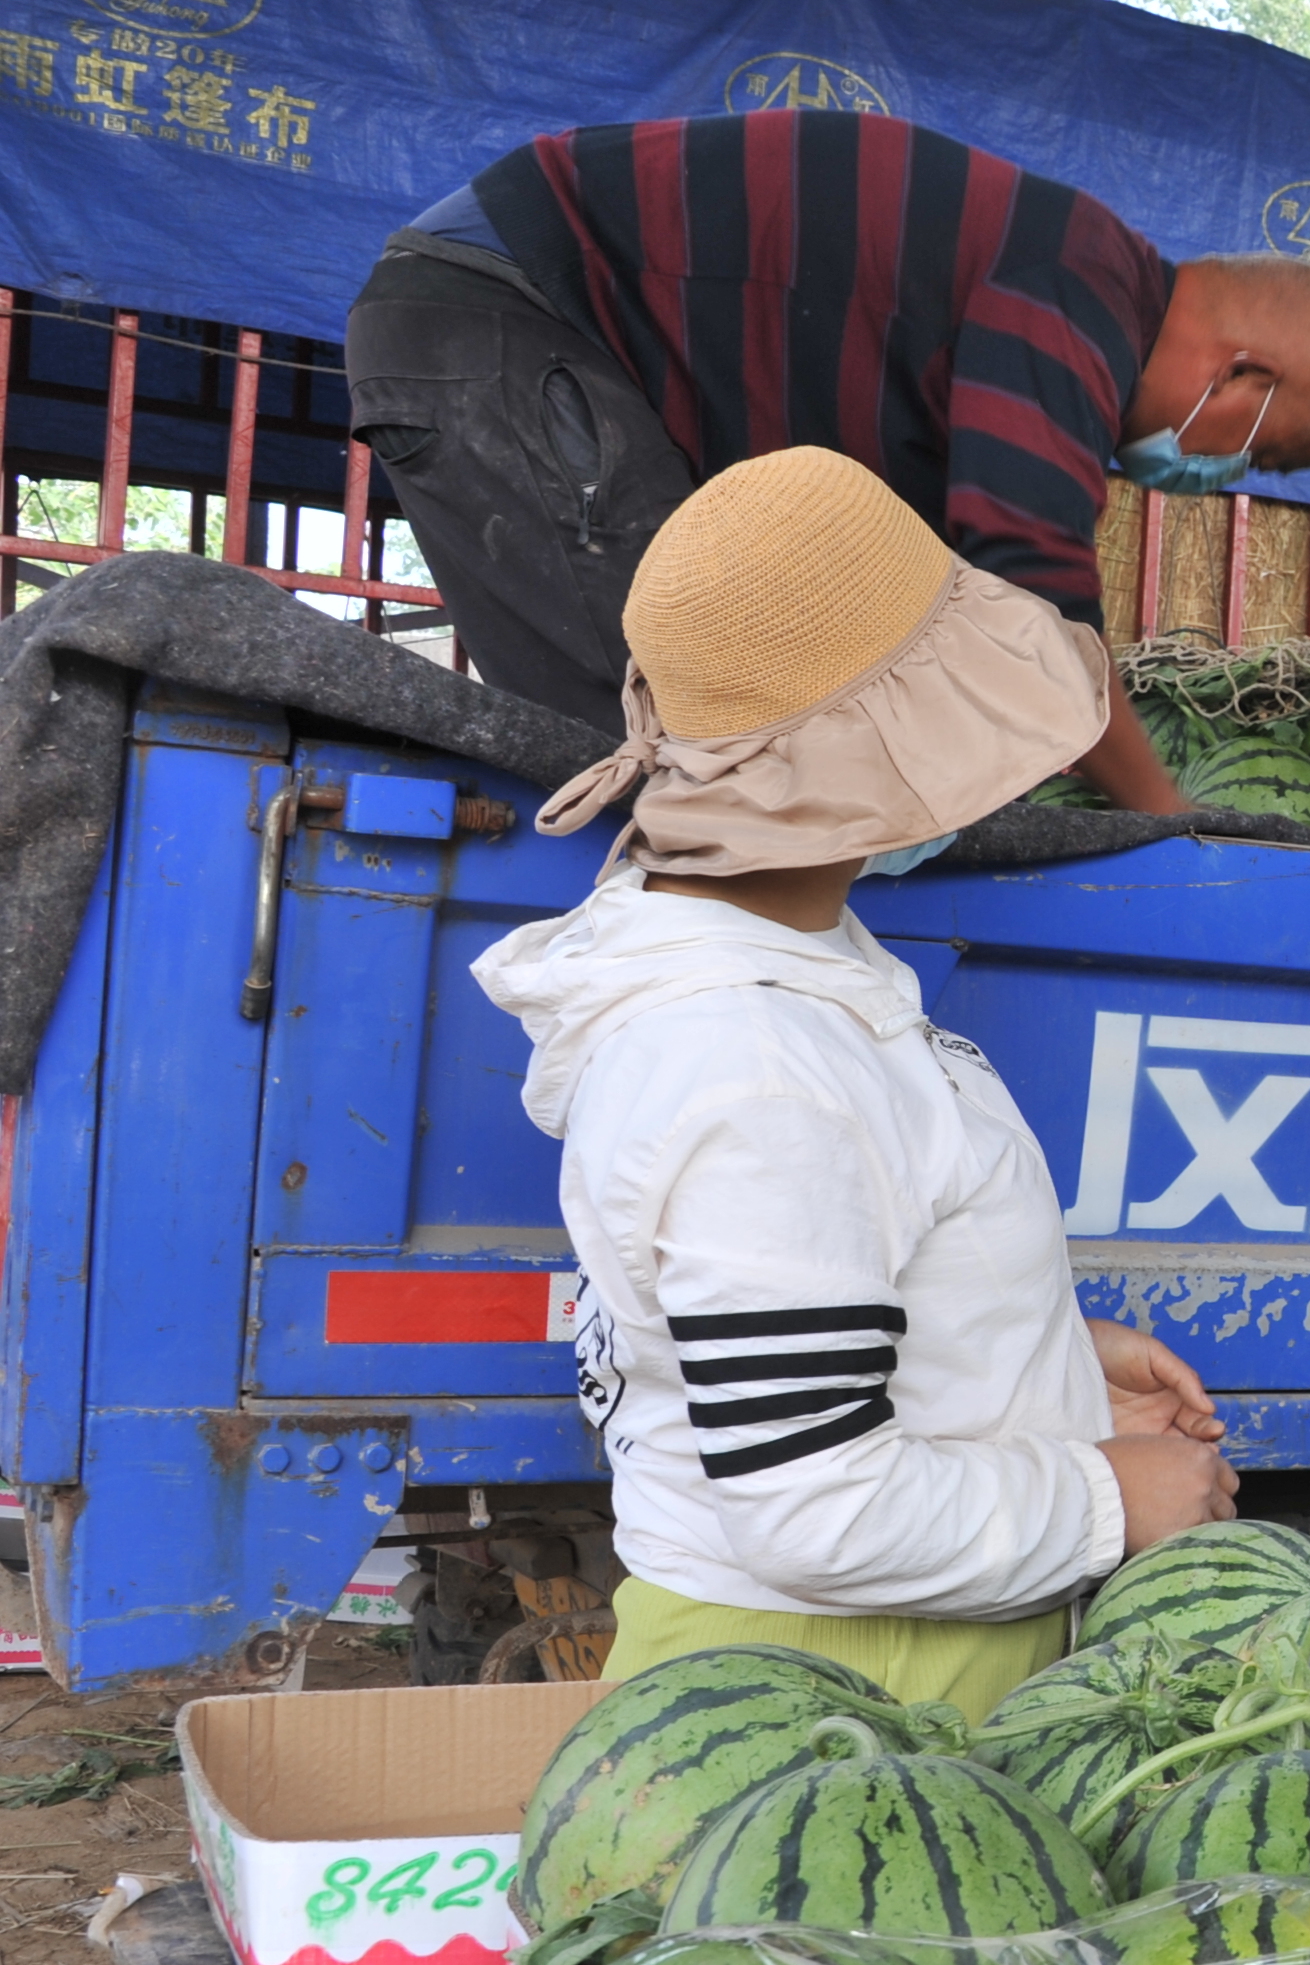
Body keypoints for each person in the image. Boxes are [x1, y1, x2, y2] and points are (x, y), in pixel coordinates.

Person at [472, 446, 1243, 1718]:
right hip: (834, 1707)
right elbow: (811, 1504)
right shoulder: (756, 1069)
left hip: (870, 1682)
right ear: (877, 764)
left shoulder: (794, 963)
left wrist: (1039, 1356)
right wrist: (1111, 1497)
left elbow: (820, 1287)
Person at [345, 109, 1310, 806]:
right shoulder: (1077, 293)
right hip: (511, 313)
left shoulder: (1063, 302)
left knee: (712, 746)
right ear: (1244, 379)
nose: (1225, 476)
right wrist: (1165, 820)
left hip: (529, 330)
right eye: (1257, 454)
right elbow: (1036, 604)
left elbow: (934, 601)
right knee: (667, 753)